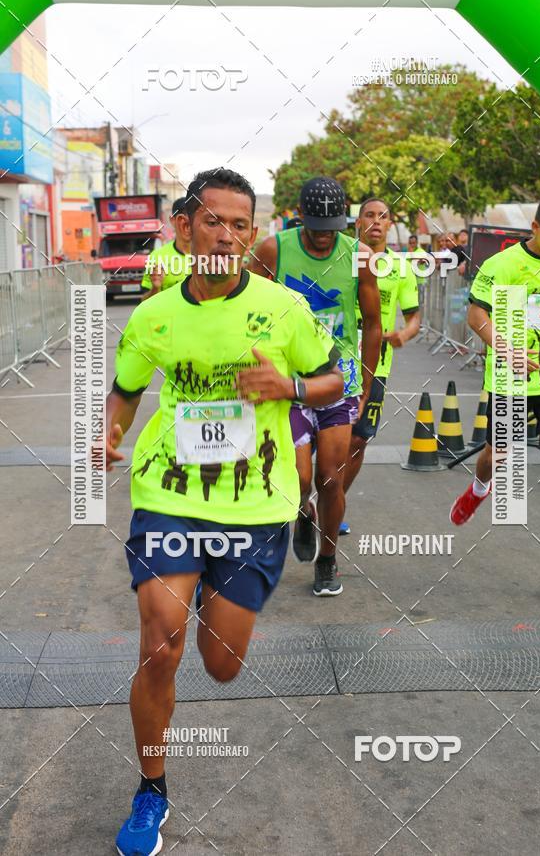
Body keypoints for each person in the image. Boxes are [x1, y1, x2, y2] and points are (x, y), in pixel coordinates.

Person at [106, 167, 343, 856]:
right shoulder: (154, 315)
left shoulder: (283, 308)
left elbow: (333, 379)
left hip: (256, 501)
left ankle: (215, 587)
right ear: (184, 228)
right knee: (160, 641)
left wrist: (291, 383)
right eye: (214, 220)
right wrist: (110, 432)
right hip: (170, 493)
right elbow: (124, 389)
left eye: (242, 224)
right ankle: (151, 789)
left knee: (221, 664)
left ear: (253, 235)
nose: (228, 235)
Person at [450, 194, 540, 588]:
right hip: (511, 378)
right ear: (534, 229)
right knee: (498, 457)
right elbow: (476, 315)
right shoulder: (503, 266)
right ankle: (480, 488)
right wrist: (506, 347)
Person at [251, 176, 381, 596]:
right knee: (300, 477)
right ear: (300, 219)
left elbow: (374, 323)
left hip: (337, 378)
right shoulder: (274, 249)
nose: (324, 239)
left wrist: (366, 383)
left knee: (331, 477)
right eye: (316, 229)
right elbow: (246, 306)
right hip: (290, 379)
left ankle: (328, 560)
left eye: (333, 229)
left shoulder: (359, 255)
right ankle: (302, 510)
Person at [341, 198, 420, 526]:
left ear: (390, 224)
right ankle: (306, 499)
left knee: (359, 439)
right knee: (322, 438)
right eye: (369, 216)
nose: (376, 221)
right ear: (358, 222)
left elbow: (415, 317)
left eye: (382, 217)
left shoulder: (400, 267)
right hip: (335, 361)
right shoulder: (341, 257)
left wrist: (405, 333)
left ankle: (334, 503)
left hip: (375, 367)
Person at [141, 197, 192, 299]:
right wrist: (155, 288)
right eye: (183, 221)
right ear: (173, 220)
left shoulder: (210, 257)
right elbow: (144, 302)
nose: (187, 227)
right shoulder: (157, 257)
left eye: (192, 221)